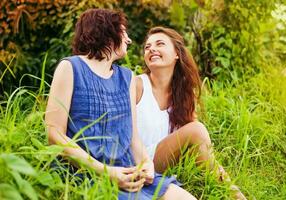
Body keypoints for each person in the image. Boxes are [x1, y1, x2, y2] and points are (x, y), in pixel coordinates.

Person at [45, 9, 197, 200]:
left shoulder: (127, 77)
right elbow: (53, 133)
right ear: (108, 31)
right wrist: (106, 171)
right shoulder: (70, 67)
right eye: (124, 33)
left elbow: (133, 137)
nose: (128, 40)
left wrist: (146, 164)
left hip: (128, 173)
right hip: (85, 174)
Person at [136, 26, 247, 199]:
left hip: (164, 163)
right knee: (196, 129)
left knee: (199, 138)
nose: (152, 49)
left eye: (160, 44)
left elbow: (200, 146)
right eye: (147, 47)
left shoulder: (183, 94)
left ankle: (233, 194)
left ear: (176, 54)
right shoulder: (137, 85)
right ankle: (235, 195)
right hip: (138, 160)